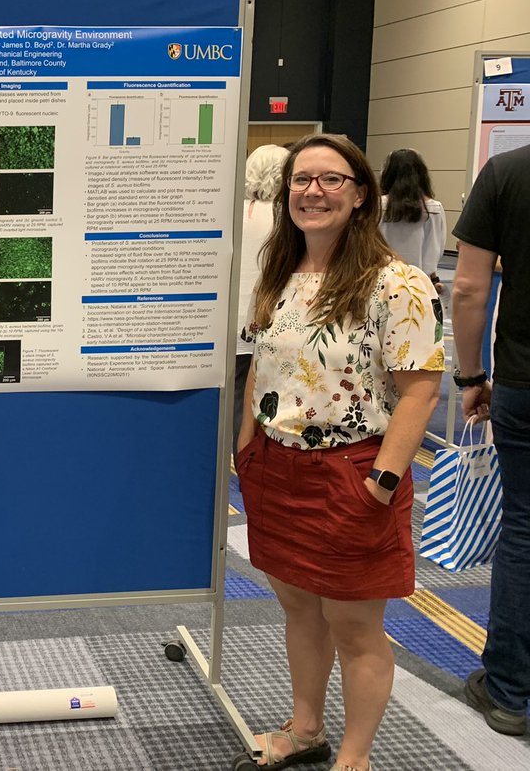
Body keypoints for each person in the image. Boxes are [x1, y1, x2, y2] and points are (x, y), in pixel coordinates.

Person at [237, 133, 443, 771]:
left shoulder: (396, 283)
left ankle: (355, 758)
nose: (313, 191)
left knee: (355, 627)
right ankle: (306, 729)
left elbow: (420, 389)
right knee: (299, 608)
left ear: (359, 195)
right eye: (301, 179)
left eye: (331, 180)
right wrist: (247, 445)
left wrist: (382, 482)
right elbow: (261, 363)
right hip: (276, 469)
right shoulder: (280, 271)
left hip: (354, 471)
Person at [452, 141, 530, 737]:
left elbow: (469, 289)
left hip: (526, 382)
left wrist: (471, 377)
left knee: (524, 530)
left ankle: (509, 691)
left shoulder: (507, 171)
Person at [234, 144, 288, 437]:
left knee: (235, 404)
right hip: (271, 322)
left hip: (230, 326)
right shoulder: (288, 218)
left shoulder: (231, 212)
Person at [378, 148, 446, 291]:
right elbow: (435, 252)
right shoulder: (434, 209)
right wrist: (434, 279)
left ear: (388, 173)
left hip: (381, 281)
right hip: (420, 286)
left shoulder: (376, 206)